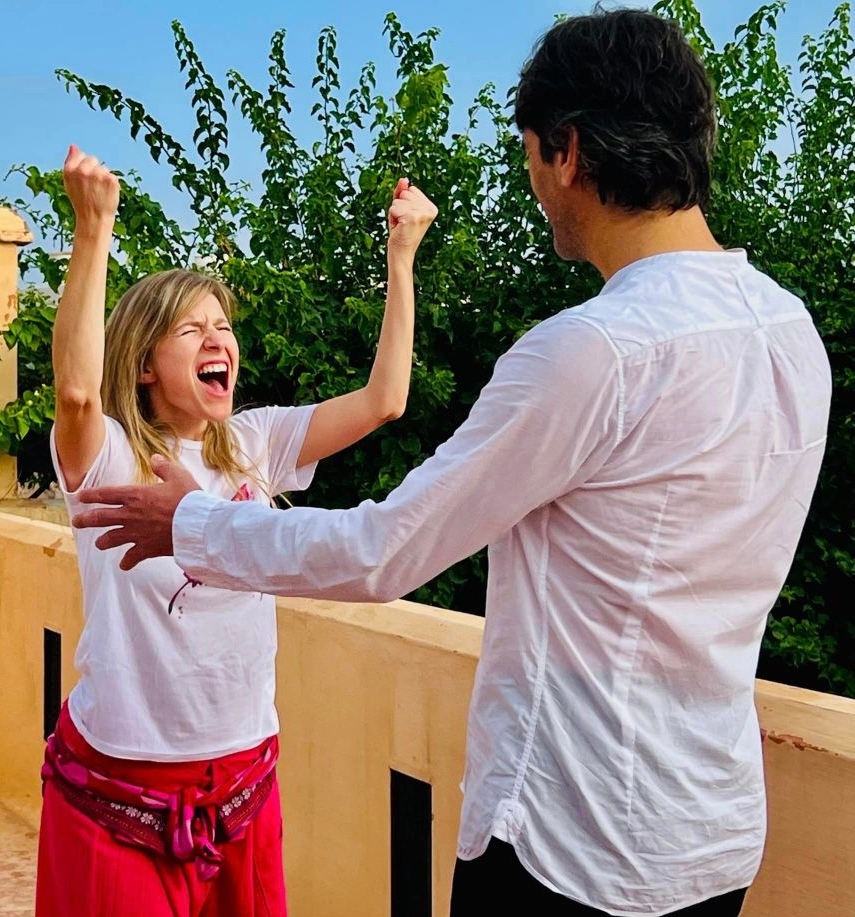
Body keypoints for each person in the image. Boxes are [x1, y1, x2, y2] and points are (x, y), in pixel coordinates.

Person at [71, 9, 832, 917]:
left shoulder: (592, 351)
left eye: (531, 156)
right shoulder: (791, 331)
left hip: (571, 845)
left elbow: (384, 550)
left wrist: (191, 524)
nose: (534, 184)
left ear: (568, 152)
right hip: (714, 834)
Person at [36, 142, 437, 917]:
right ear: (145, 364)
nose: (219, 339)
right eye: (192, 330)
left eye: (223, 326)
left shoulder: (255, 441)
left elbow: (385, 399)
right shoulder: (110, 454)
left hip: (245, 783)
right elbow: (78, 391)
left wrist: (402, 257)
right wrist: (93, 230)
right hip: (121, 794)